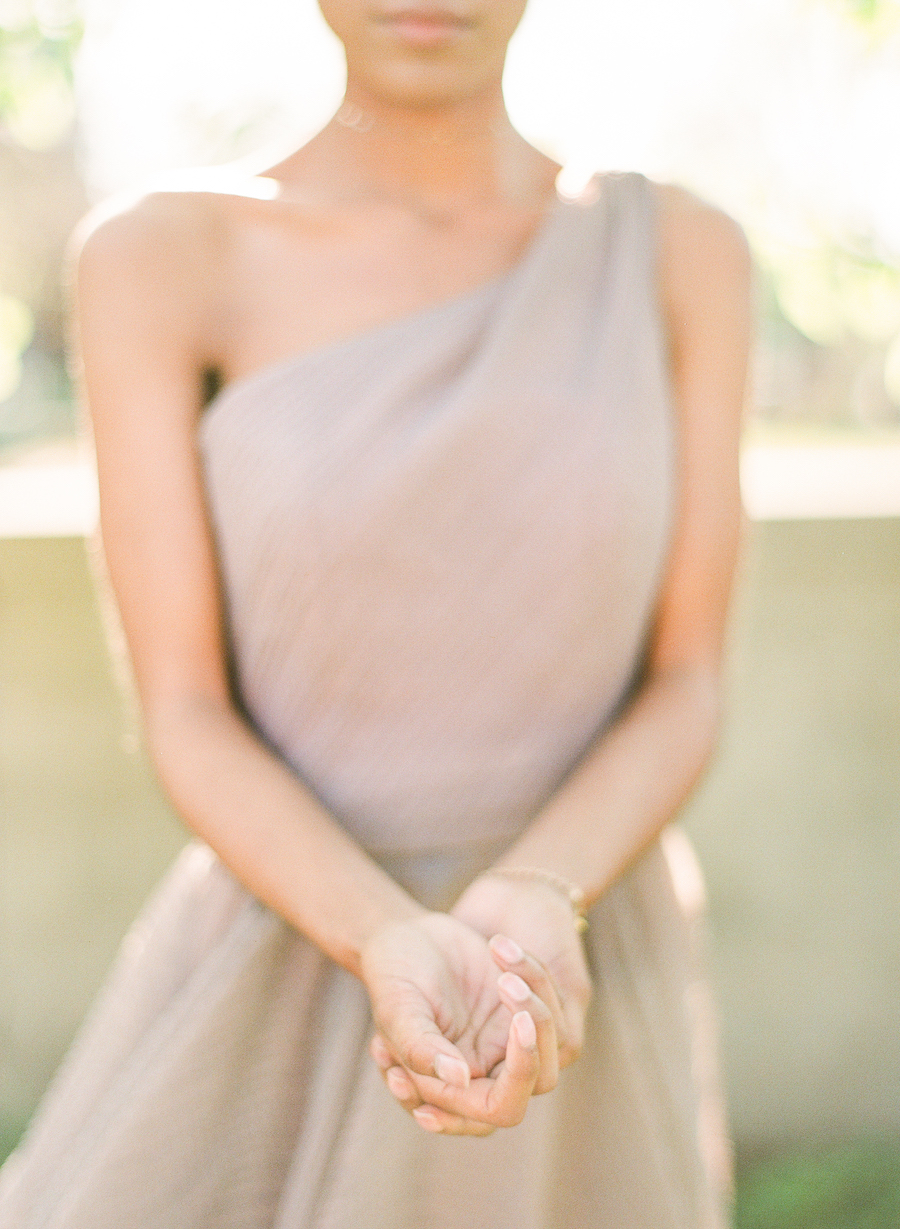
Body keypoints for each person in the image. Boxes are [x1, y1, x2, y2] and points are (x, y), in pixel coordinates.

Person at [0, 1, 752, 1225]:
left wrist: (540, 890)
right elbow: (185, 704)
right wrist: (381, 933)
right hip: (284, 947)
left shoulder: (680, 251)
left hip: (575, 957)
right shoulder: (163, 253)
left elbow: (688, 677)